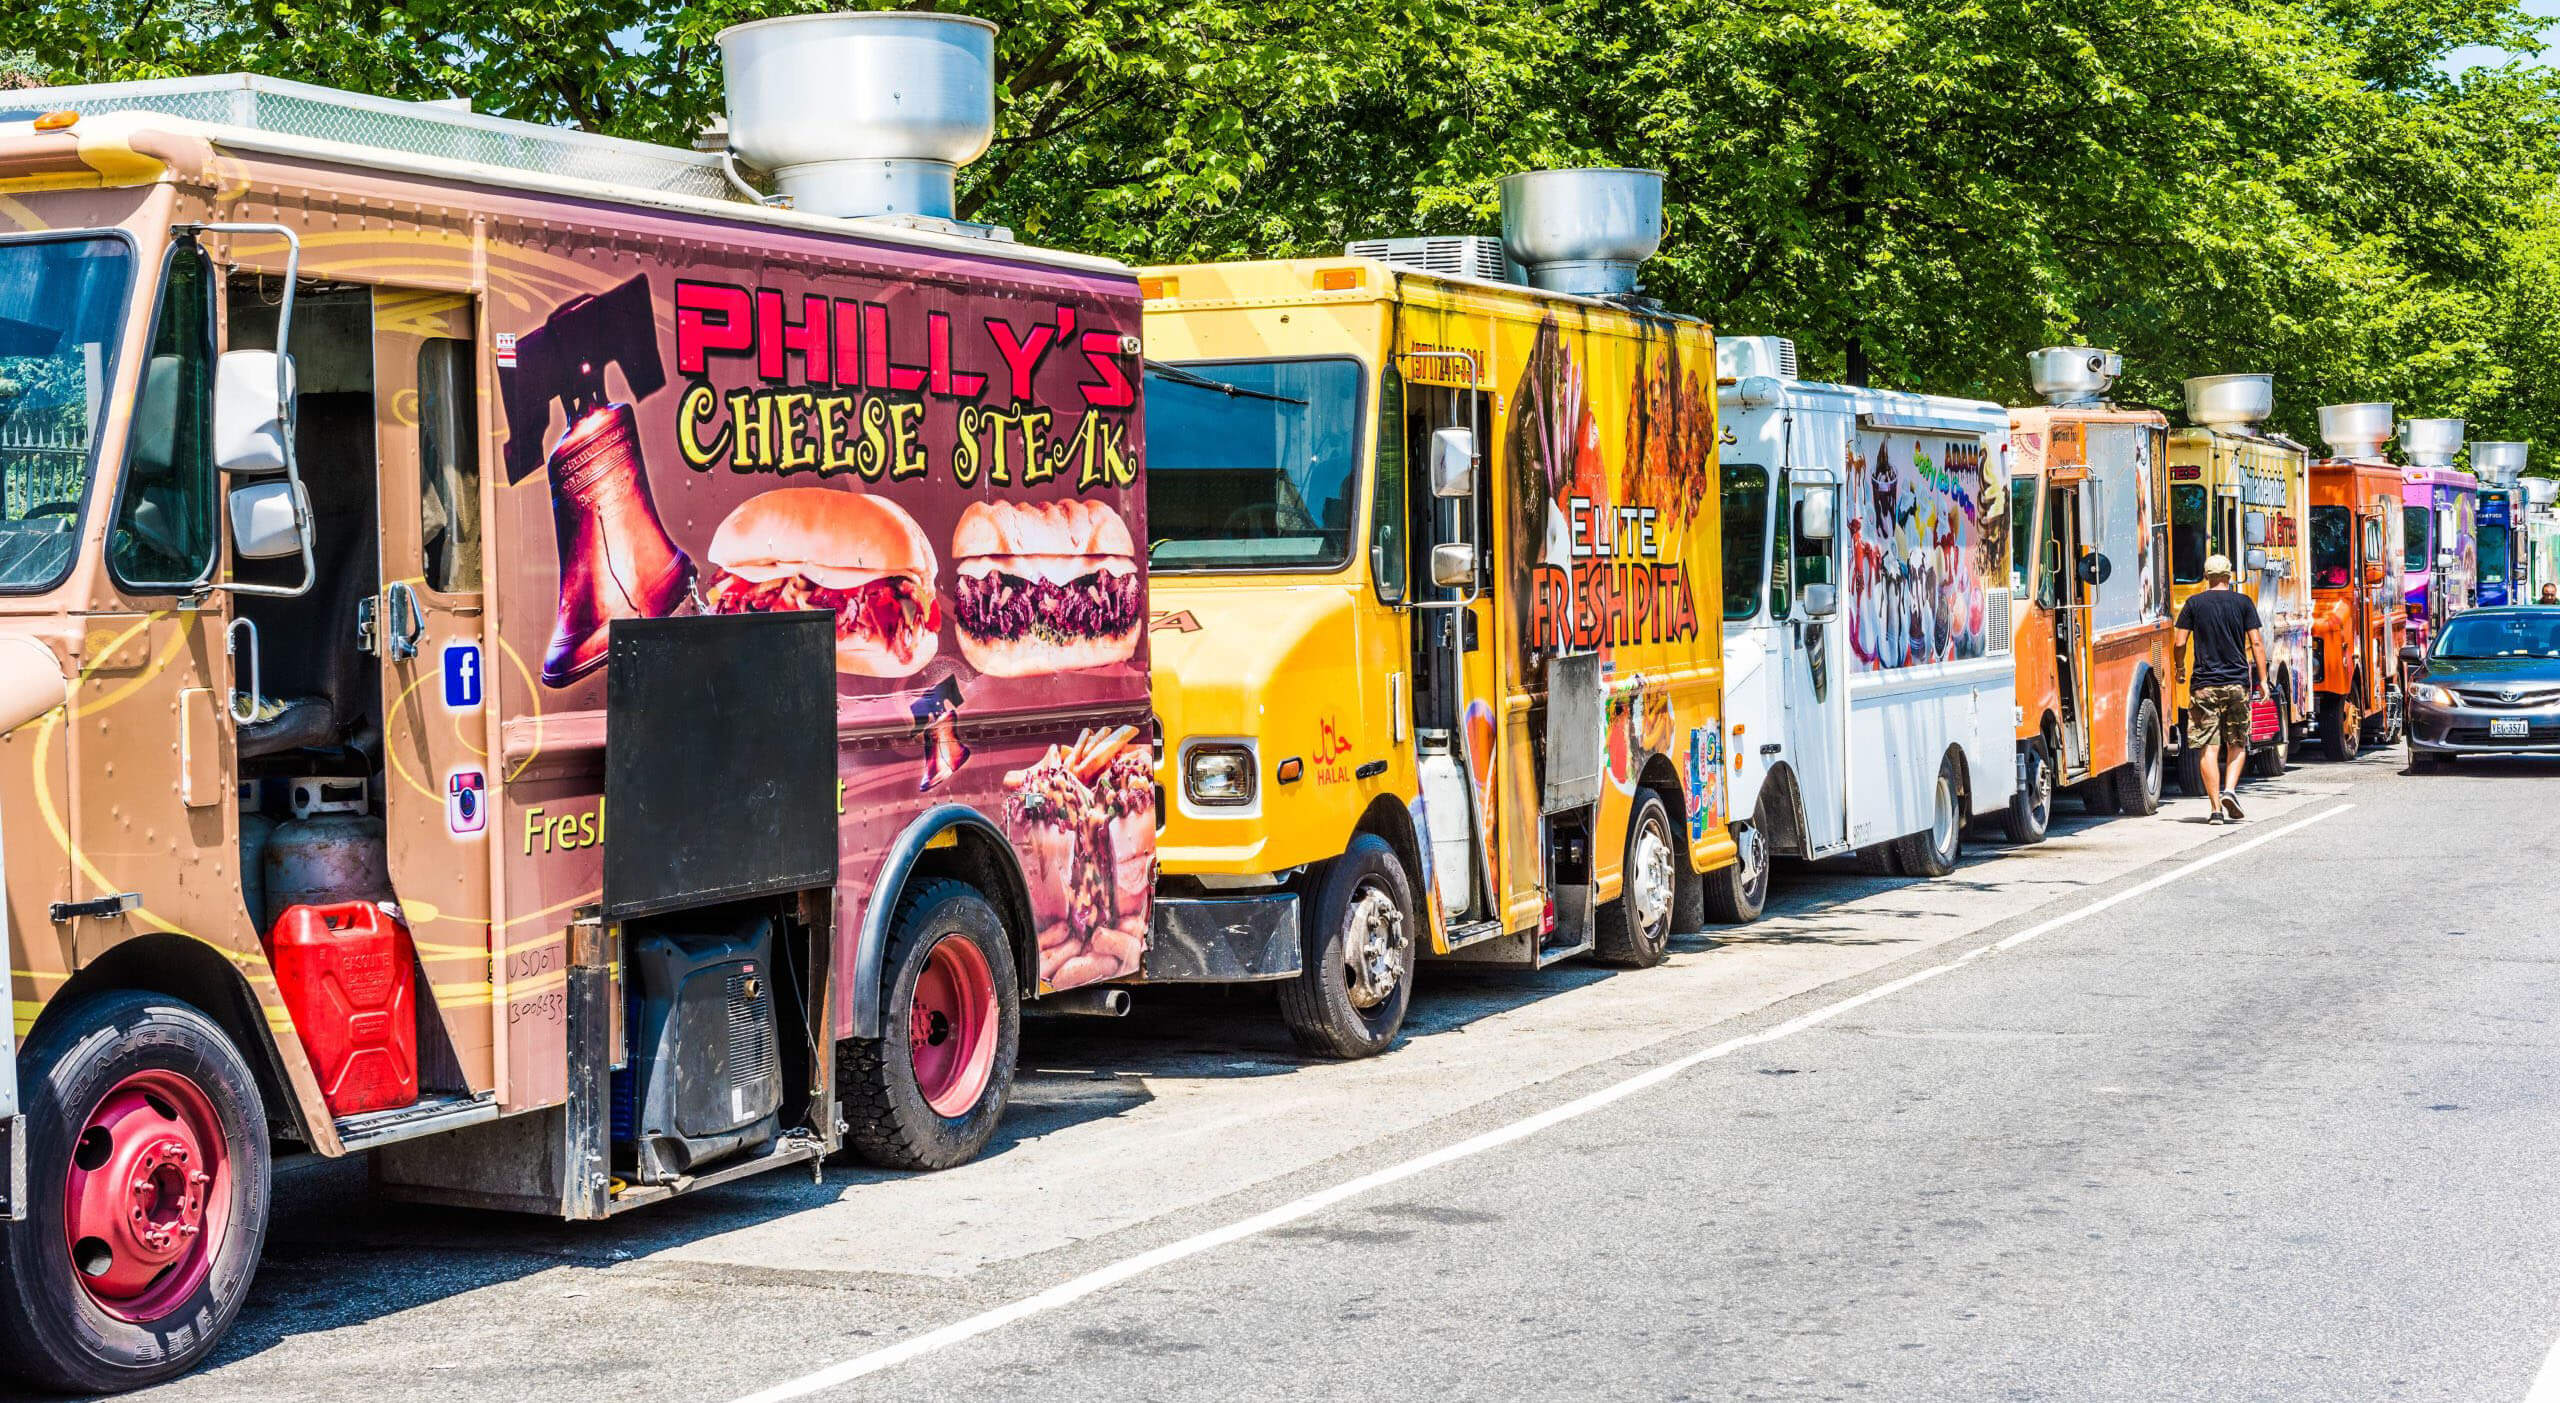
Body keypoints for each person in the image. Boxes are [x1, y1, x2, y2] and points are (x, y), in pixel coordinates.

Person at [2173, 554, 2267, 825]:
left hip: (2204, 686)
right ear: (2229, 576)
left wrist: (2180, 667)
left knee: (2208, 747)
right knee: (2237, 742)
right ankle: (2230, 791)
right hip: (2237, 683)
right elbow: (2257, 643)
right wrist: (2262, 679)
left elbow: (2180, 642)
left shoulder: (2194, 604)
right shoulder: (2243, 603)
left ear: (2206, 576)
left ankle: (2215, 810)